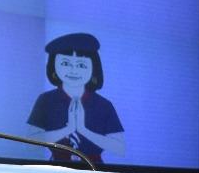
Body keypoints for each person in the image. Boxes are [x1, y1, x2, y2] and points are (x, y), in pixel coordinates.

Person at [25, 32, 125, 164]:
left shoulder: (104, 105)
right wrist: (68, 129)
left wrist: (83, 130)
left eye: (81, 65)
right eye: (65, 63)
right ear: (54, 65)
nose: (73, 70)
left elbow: (120, 147)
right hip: (55, 170)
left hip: (96, 172)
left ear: (93, 68)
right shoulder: (45, 100)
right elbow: (30, 140)